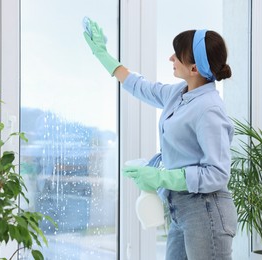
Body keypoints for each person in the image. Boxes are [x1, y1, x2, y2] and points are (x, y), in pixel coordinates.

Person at [83, 18, 237, 260]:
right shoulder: (180, 93)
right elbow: (141, 86)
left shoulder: (210, 110)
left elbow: (218, 173)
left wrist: (163, 177)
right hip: (180, 208)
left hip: (206, 211)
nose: (171, 58)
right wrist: (104, 55)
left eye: (177, 54)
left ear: (194, 68)